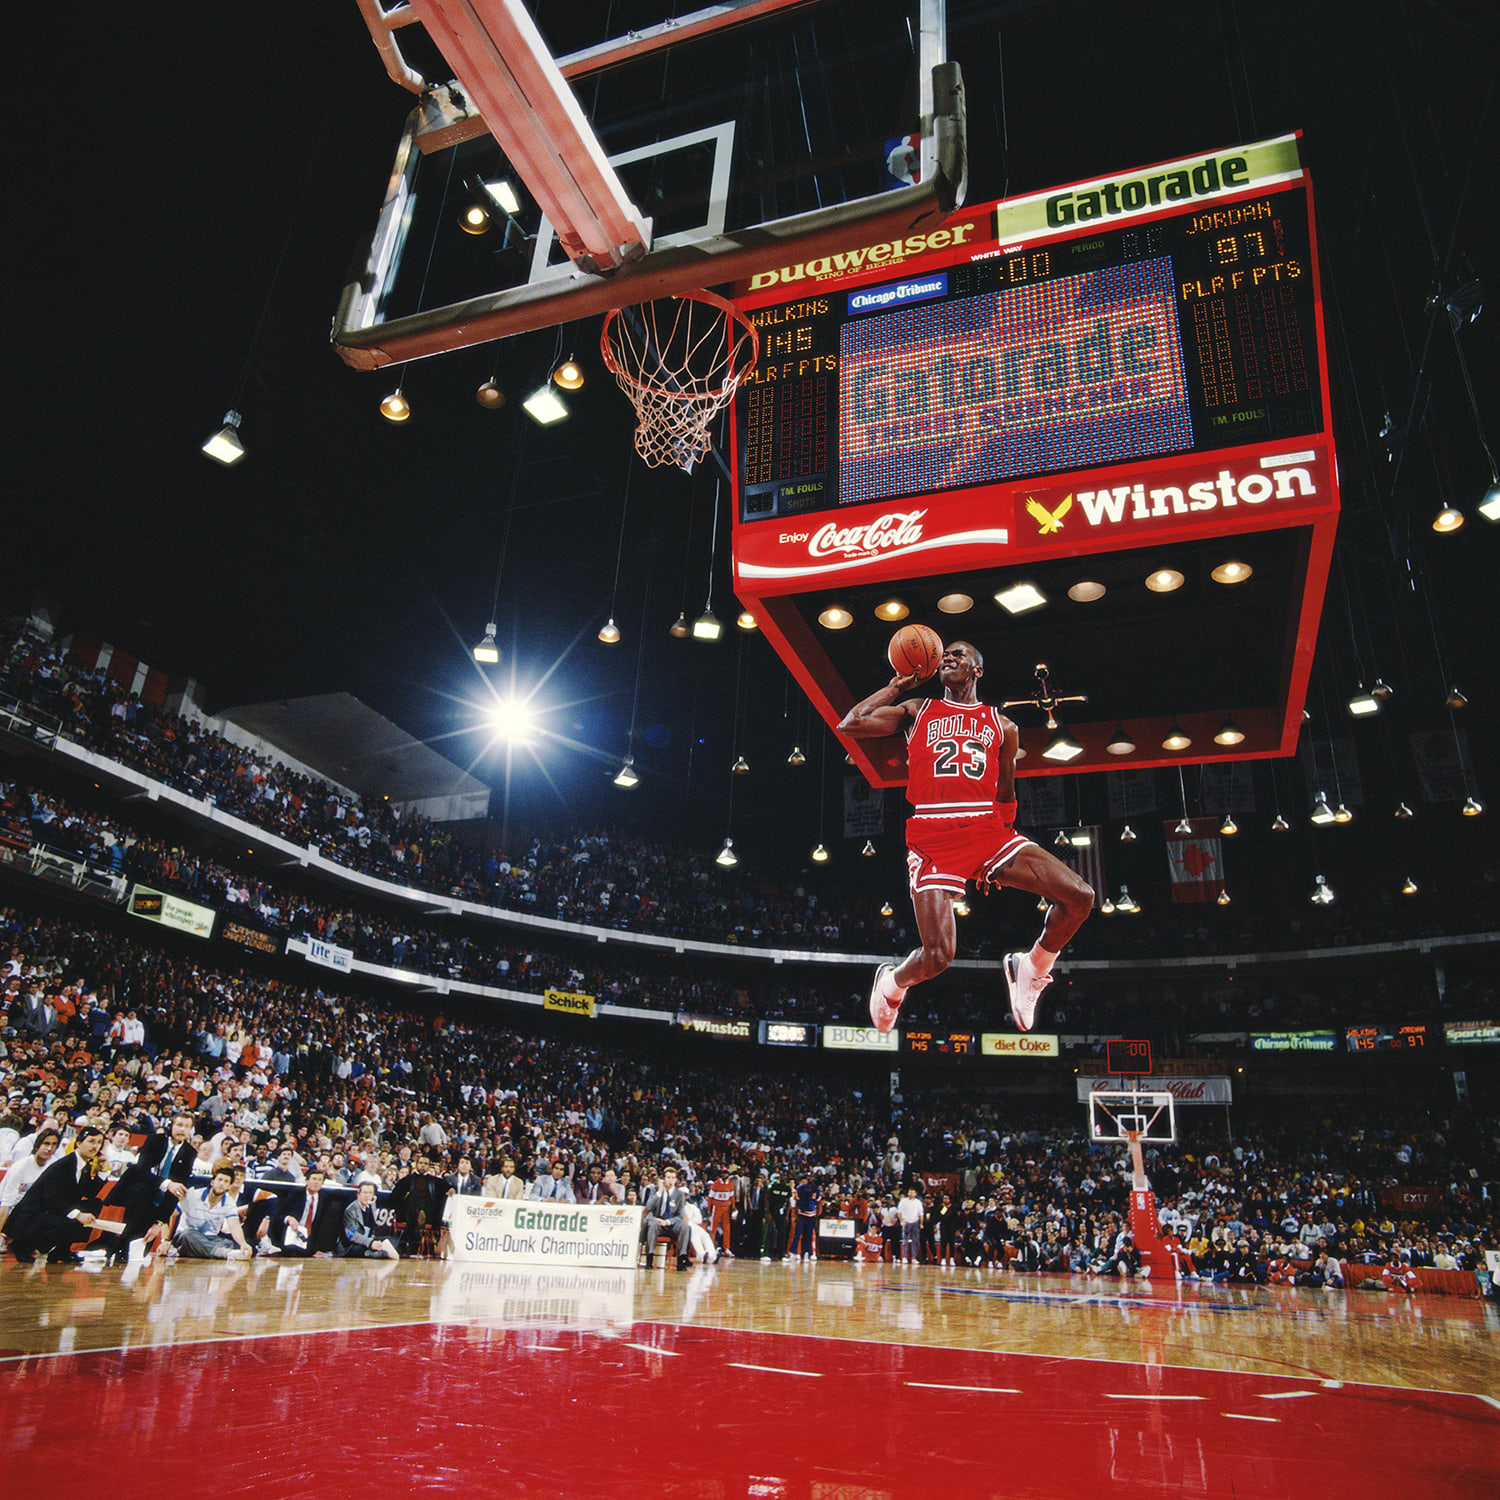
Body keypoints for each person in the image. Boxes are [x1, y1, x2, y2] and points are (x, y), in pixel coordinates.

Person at [839, 640, 1094, 1033]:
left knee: (1080, 896)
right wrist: (897, 687)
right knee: (938, 957)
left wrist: (1001, 854)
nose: (949, 659)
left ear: (977, 670)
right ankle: (891, 983)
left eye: (959, 655)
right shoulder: (917, 710)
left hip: (987, 829)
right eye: (945, 655)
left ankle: (1031, 968)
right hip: (933, 833)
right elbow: (851, 723)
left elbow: (1006, 791)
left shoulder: (1003, 725)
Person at [6, 1125, 107, 1263]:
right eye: (91, 1141)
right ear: (78, 1143)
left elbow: (89, 1193)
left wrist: (102, 1171)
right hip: (33, 1216)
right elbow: (52, 1200)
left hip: (51, 1210)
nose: (96, 1146)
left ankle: (62, 1250)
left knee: (94, 1204)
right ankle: (23, 1244)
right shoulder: (63, 1165)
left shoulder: (84, 1165)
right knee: (72, 1217)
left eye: (99, 1143)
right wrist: (78, 1215)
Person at [173, 1162, 253, 1260]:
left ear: (229, 1187)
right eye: (219, 1180)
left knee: (228, 1243)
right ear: (212, 1182)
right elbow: (172, 1215)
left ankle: (198, 1252)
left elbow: (235, 1226)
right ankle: (221, 1253)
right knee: (187, 1234)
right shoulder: (194, 1195)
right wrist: (165, 1241)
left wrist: (243, 1243)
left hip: (210, 1238)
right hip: (187, 1236)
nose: (221, 1184)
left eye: (226, 1182)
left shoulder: (229, 1202)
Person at [337, 1180, 399, 1259]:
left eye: (370, 1193)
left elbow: (373, 1225)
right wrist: (370, 1243)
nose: (367, 1196)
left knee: (394, 1240)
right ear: (358, 1195)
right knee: (362, 1249)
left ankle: (378, 1251)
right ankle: (376, 1252)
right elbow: (352, 1235)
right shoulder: (351, 1210)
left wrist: (372, 1237)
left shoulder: (371, 1205)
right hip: (353, 1244)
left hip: (368, 1240)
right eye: (365, 1193)